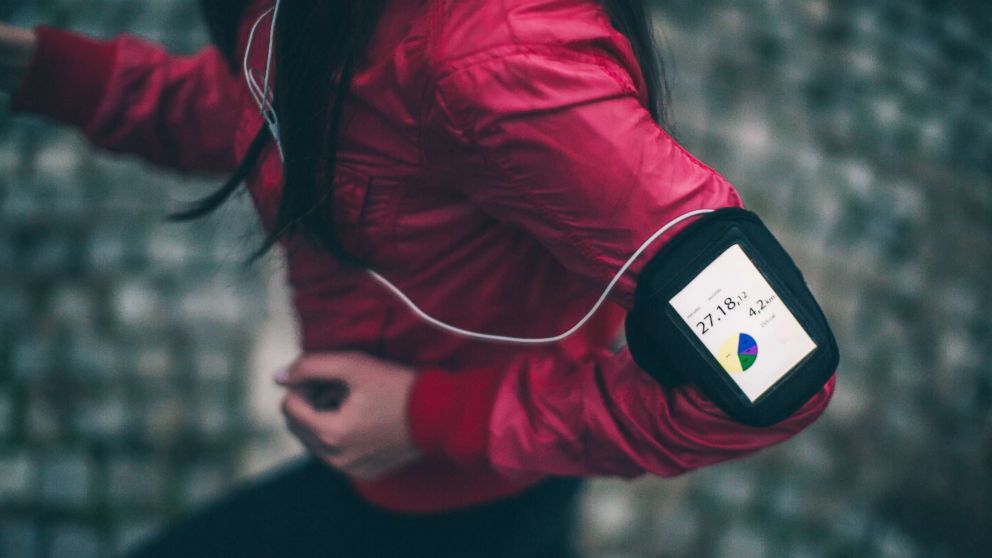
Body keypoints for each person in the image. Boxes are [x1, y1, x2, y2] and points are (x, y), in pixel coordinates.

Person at [0, 0, 837, 556]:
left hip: (457, 501)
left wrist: (427, 418)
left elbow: (773, 376)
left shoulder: (501, 65)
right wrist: (44, 70)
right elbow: (272, 111)